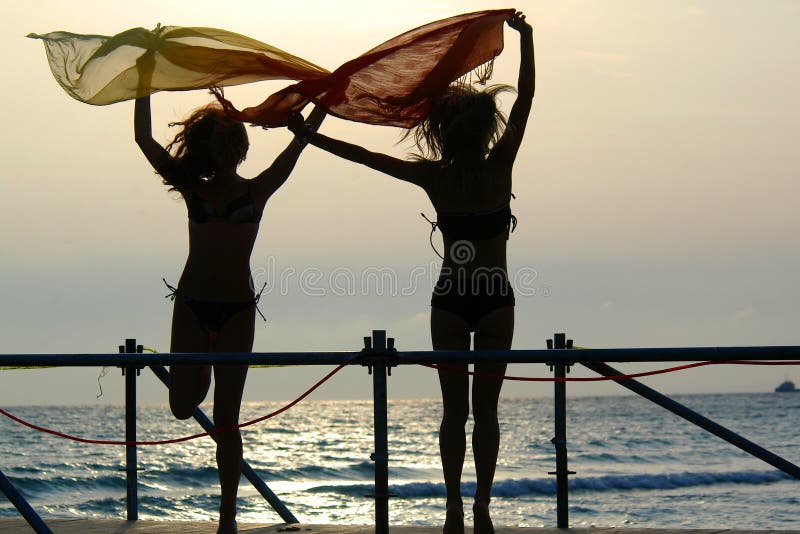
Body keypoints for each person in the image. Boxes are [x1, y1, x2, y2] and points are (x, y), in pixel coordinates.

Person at [289, 11, 533, 534]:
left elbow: (360, 156)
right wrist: (527, 42)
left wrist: (306, 131)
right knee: (479, 414)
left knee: (461, 414)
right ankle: (474, 508)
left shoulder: (440, 175)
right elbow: (527, 102)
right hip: (491, 299)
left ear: (444, 131)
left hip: (454, 300)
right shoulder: (498, 166)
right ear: (482, 128)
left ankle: (461, 508)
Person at [134, 52, 325, 534]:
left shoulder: (255, 191)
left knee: (226, 418)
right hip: (193, 306)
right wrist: (144, 76)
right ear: (206, 148)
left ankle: (227, 518)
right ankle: (195, 377)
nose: (221, 150)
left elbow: (300, 146)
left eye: (227, 141)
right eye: (214, 142)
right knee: (182, 405)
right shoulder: (192, 189)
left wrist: (327, 96)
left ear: (238, 148)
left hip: (238, 309)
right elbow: (143, 139)